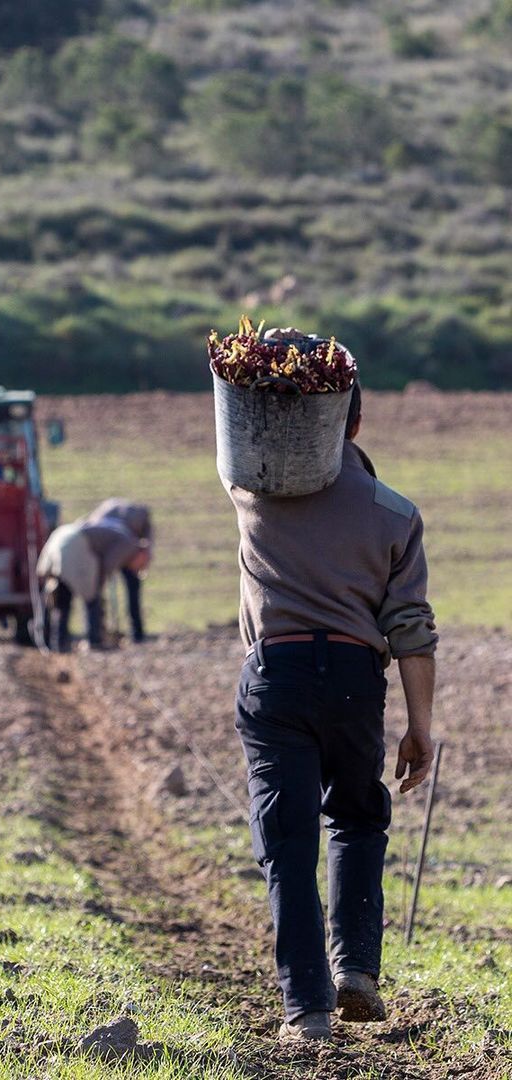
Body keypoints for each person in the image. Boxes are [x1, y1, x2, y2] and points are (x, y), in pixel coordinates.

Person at [224, 362, 438, 1042]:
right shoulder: (395, 514)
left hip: (276, 674)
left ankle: (307, 1009)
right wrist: (419, 727)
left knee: (288, 842)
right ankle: (357, 972)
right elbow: (412, 630)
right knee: (356, 815)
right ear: (357, 423)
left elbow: (229, 431)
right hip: (354, 680)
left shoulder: (250, 490)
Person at [37, 515, 150, 652]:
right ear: (142, 554)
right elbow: (106, 566)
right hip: (75, 544)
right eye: (141, 565)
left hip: (60, 537)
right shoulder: (128, 544)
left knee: (62, 596)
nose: (137, 569)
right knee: (92, 597)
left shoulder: (122, 534)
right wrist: (97, 588)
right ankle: (94, 640)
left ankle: (58, 643)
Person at [87, 498, 154, 643]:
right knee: (102, 589)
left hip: (120, 548)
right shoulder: (135, 521)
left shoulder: (133, 520)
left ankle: (133, 632)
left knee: (128, 587)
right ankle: (134, 633)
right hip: (117, 547)